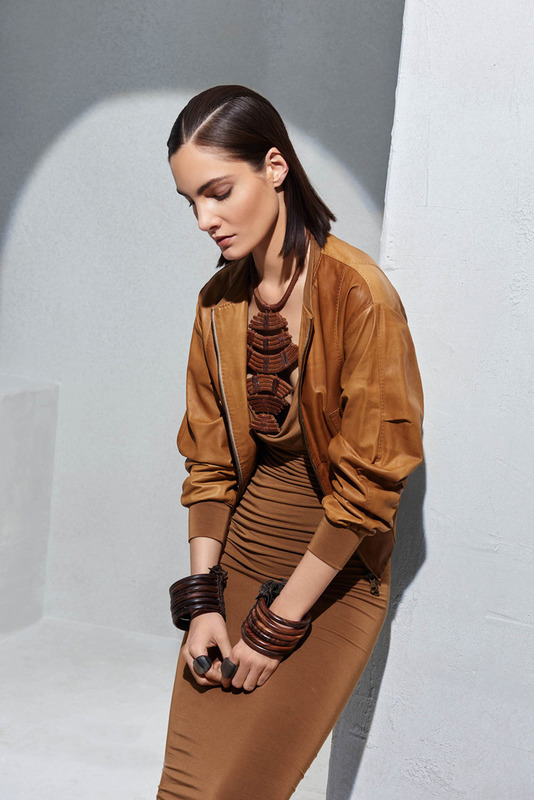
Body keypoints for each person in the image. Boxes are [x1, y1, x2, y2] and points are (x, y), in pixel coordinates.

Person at [156, 85, 423, 800]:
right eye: (191, 202)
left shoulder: (360, 294)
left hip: (334, 576)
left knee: (246, 790)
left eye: (219, 192)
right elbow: (209, 461)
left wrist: (279, 621)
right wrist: (204, 601)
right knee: (183, 791)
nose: (205, 220)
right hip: (241, 552)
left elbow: (371, 486)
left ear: (274, 167)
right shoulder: (217, 304)